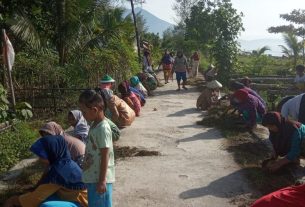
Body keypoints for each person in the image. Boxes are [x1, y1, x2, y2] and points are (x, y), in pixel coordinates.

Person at [4, 136, 88, 207]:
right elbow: (44, 186)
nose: (40, 159)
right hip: (77, 197)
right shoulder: (65, 162)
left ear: (52, 152)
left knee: (46, 205)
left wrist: (14, 200)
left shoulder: (58, 172)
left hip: (82, 203)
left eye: (43, 155)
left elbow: (35, 198)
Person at [79, 89, 114, 207]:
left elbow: (105, 155)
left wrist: (102, 181)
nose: (83, 116)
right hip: (93, 178)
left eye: (84, 112)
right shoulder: (94, 125)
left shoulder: (103, 128)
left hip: (99, 180)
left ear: (94, 110)